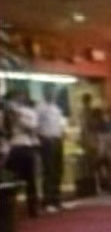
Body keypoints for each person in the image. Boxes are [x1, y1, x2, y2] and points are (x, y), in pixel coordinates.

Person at [3, 91, 39, 218]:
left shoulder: (29, 112)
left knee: (30, 180)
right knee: (11, 180)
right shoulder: (5, 114)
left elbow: (32, 127)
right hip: (13, 147)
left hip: (26, 146)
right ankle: (10, 209)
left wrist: (18, 117)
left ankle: (32, 208)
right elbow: (5, 130)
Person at [36, 84, 66, 212]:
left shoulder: (56, 108)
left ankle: (56, 199)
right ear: (45, 92)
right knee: (49, 170)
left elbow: (60, 124)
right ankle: (47, 201)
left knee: (58, 170)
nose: (52, 94)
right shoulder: (40, 108)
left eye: (54, 92)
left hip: (58, 139)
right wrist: (41, 139)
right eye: (50, 91)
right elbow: (35, 126)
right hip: (47, 140)